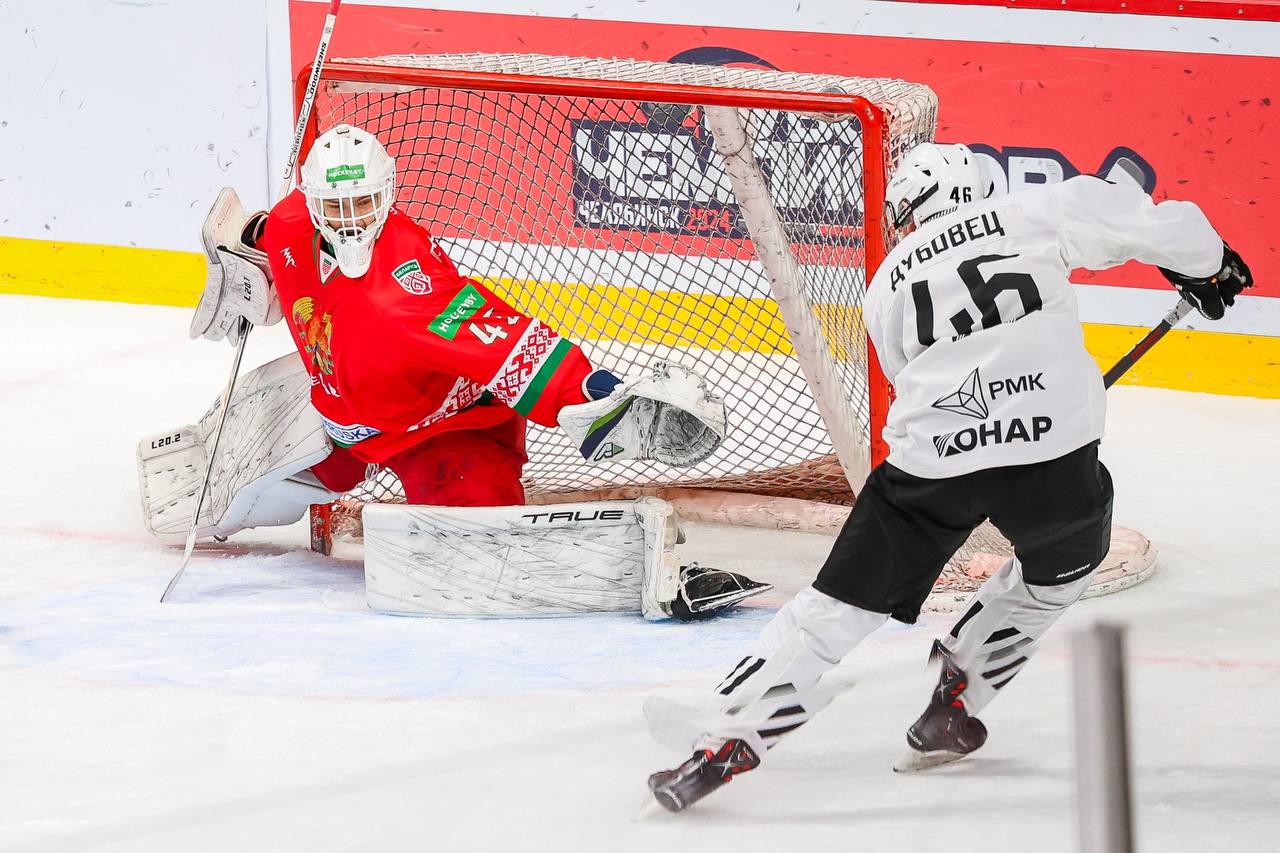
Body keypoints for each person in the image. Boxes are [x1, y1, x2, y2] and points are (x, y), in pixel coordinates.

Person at [643, 142, 1253, 810]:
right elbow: (1165, 223)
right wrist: (1208, 268)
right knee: (1060, 569)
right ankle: (955, 699)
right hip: (1053, 459)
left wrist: (982, 423)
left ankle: (722, 742)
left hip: (932, 463)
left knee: (834, 609)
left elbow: (907, 374)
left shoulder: (886, 281)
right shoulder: (1032, 211)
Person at [142, 123, 766, 620]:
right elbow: (250, 231)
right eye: (335, 204)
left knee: (485, 554)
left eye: (364, 202)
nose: (350, 218)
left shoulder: (410, 289)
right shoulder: (287, 226)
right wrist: (240, 264)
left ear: (388, 195)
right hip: (339, 416)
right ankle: (243, 485)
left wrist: (595, 393)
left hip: (444, 434)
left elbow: (508, 342)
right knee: (208, 503)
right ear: (310, 201)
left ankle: (644, 575)